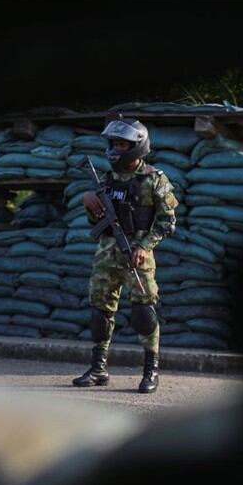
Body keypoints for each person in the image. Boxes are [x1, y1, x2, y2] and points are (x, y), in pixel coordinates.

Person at [71, 118, 178, 393]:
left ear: (136, 147)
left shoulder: (154, 179)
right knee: (100, 311)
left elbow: (167, 221)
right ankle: (98, 368)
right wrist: (89, 203)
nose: (116, 149)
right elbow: (95, 221)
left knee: (144, 313)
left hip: (137, 255)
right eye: (114, 143)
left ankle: (150, 371)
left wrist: (144, 245)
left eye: (122, 144)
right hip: (107, 253)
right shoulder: (106, 180)